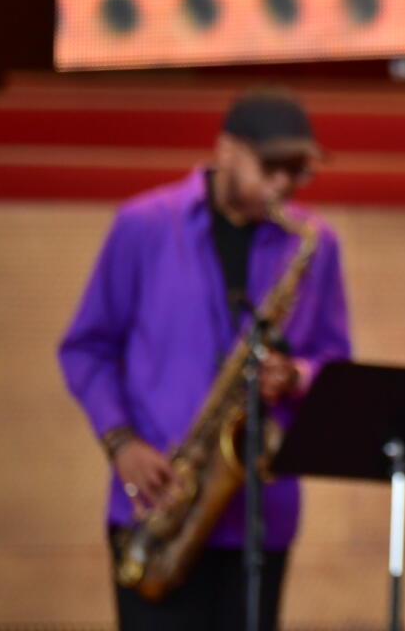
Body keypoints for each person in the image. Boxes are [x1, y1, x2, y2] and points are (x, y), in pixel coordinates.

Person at [58, 86, 353, 631]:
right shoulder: (144, 225)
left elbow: (335, 359)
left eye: (297, 172)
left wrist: (295, 376)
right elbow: (86, 347)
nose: (283, 184)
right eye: (271, 167)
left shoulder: (313, 242)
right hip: (158, 506)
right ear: (225, 150)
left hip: (262, 514)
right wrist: (121, 442)